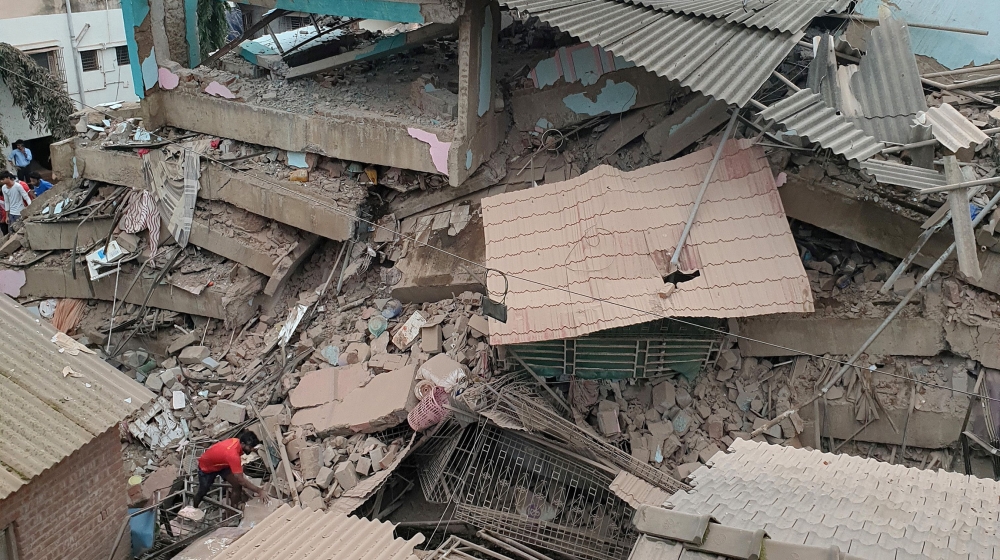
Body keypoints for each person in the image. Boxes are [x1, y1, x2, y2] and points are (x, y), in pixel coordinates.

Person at [179, 431, 263, 521]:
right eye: (250, 447)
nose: (251, 450)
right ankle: (194, 509)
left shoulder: (235, 441)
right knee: (202, 492)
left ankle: (233, 512)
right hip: (207, 467)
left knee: (237, 485)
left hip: (222, 464)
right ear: (242, 444)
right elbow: (241, 480)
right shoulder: (233, 455)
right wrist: (259, 491)